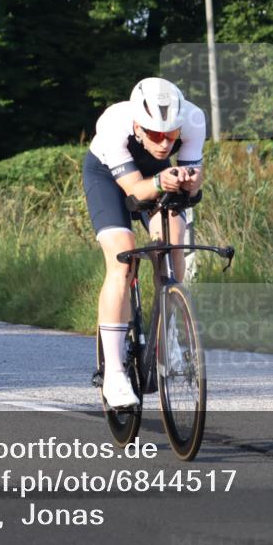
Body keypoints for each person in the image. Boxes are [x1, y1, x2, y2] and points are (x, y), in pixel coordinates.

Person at [82, 78, 204, 407]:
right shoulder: (113, 124)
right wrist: (163, 180)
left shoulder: (193, 120)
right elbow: (136, 191)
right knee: (123, 258)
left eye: (171, 135)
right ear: (137, 125)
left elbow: (194, 181)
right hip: (108, 177)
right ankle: (114, 374)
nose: (164, 143)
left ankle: (170, 335)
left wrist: (190, 183)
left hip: (156, 176)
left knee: (173, 238)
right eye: (154, 134)